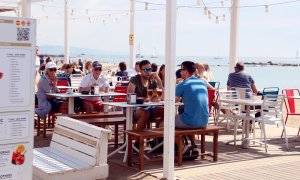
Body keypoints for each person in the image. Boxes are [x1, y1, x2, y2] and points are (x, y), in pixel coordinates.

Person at [127, 60, 164, 146]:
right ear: (140, 70)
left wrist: (159, 80)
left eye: (150, 69)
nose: (148, 72)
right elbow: (129, 96)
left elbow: (162, 96)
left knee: (165, 112)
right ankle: (137, 143)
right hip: (132, 108)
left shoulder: (153, 81)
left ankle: (158, 139)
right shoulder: (135, 79)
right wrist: (143, 99)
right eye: (146, 70)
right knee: (145, 113)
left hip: (148, 107)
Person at [175, 61, 209, 155]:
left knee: (165, 123)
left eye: (181, 70)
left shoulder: (183, 84)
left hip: (191, 121)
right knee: (186, 115)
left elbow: (172, 101)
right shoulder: (202, 83)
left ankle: (182, 147)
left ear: (185, 71)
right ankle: (194, 146)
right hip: (204, 121)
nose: (180, 72)